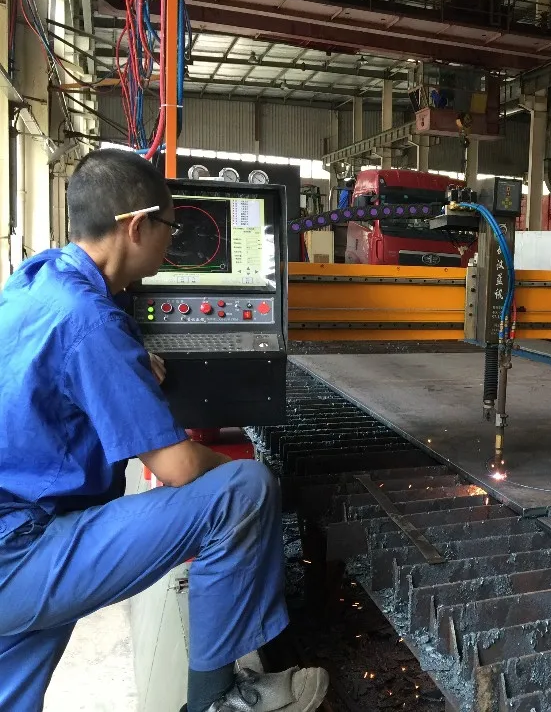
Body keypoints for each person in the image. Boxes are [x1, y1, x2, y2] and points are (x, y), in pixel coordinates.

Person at [0, 149, 329, 712]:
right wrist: (253, 470)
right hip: (22, 549)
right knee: (244, 491)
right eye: (170, 228)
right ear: (136, 226)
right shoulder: (92, 323)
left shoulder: (37, 278)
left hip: (15, 521)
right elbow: (176, 468)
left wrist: (125, 350)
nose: (172, 241)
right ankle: (215, 700)